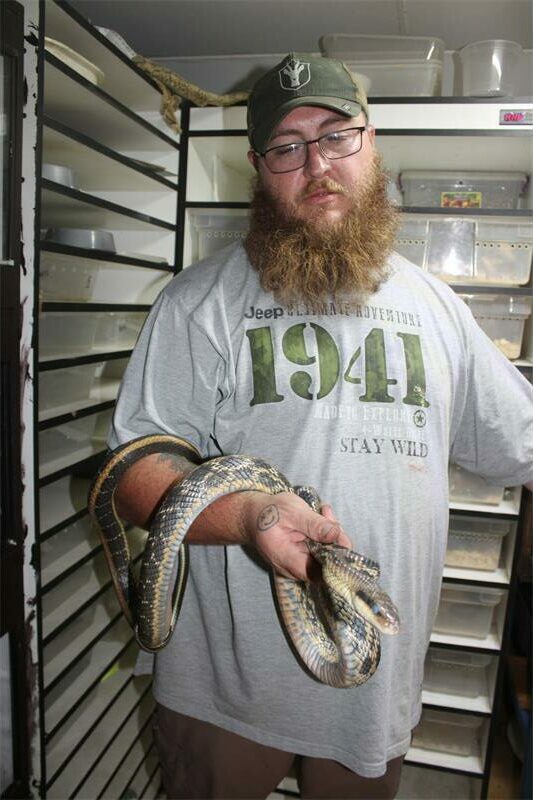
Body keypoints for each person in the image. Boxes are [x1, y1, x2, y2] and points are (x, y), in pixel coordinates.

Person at [108, 53, 533, 799]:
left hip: (371, 686)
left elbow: (517, 445)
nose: (317, 164)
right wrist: (251, 516)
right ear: (258, 167)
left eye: (337, 136)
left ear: (372, 144)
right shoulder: (197, 304)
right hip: (224, 687)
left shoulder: (438, 310)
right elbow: (135, 479)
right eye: (287, 147)